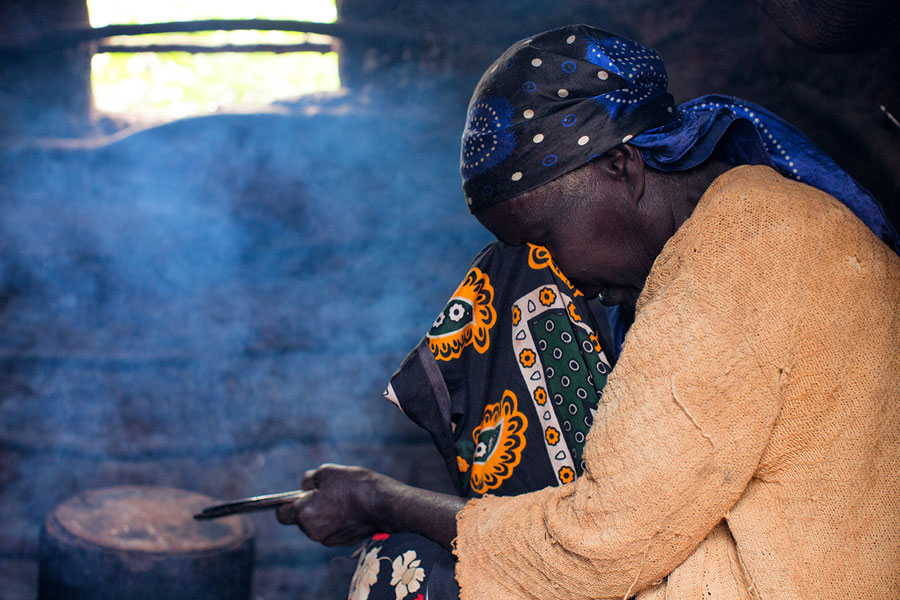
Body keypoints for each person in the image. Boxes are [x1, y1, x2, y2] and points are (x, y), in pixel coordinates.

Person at [277, 25, 900, 599]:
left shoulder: (738, 255)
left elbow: (599, 551)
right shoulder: (755, 218)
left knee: (395, 571)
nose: (560, 273)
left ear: (620, 166)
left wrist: (384, 500)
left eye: (546, 238)